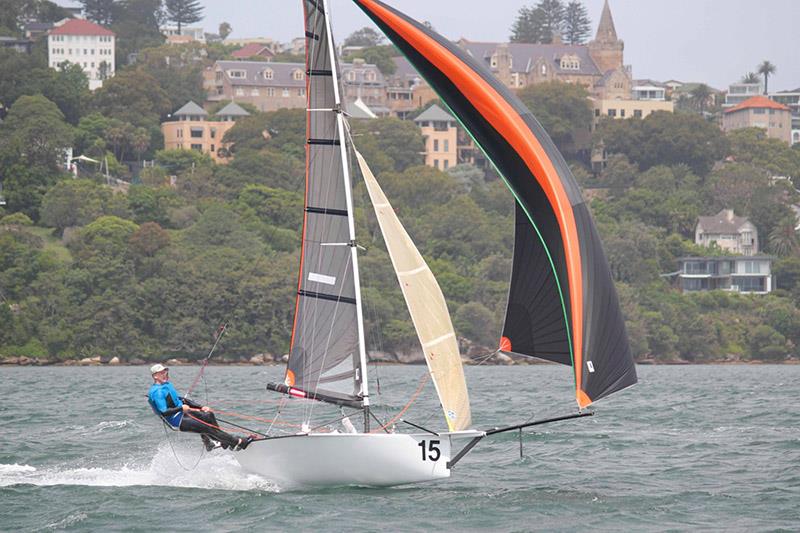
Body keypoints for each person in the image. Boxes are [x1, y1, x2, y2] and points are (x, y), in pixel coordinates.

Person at [147, 364, 253, 451]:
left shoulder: (166, 385)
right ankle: (239, 442)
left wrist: (201, 407)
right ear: (155, 376)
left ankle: (220, 441)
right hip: (175, 420)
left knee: (208, 415)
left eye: (165, 371)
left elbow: (182, 400)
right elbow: (164, 412)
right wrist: (181, 409)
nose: (165, 374)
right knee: (207, 428)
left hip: (182, 413)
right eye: (161, 373)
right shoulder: (157, 392)